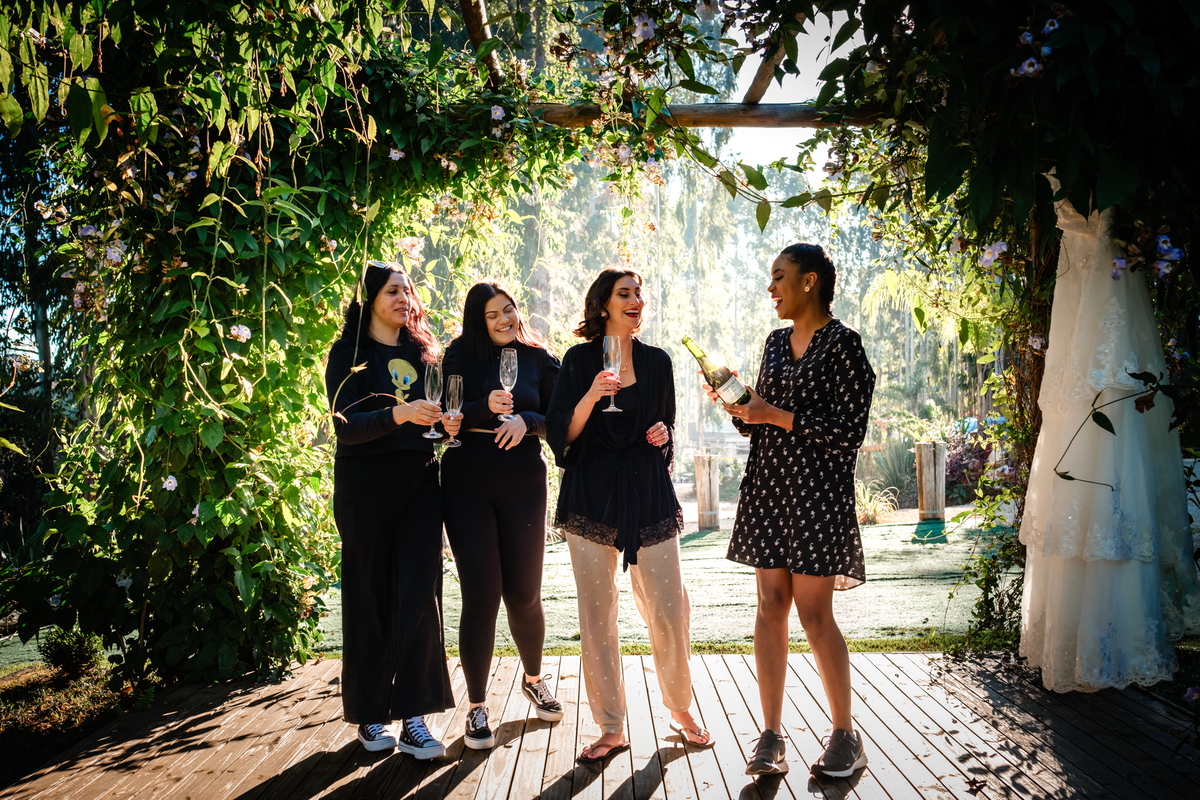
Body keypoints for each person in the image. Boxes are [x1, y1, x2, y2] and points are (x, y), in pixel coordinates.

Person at [706, 244, 874, 779]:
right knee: (770, 604)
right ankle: (771, 735)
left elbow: (847, 434)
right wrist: (740, 407)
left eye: (779, 277)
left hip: (818, 496)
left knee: (813, 613)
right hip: (769, 488)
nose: (771, 288)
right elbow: (761, 422)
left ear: (810, 281)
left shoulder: (845, 346)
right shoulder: (775, 342)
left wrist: (771, 413)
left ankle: (845, 734)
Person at [547, 267, 713, 762]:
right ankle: (611, 726)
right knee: (598, 615)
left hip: (647, 491)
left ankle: (680, 709)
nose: (636, 300)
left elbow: (666, 432)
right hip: (592, 493)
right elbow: (561, 435)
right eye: (625, 294)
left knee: (669, 607)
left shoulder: (659, 362)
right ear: (603, 305)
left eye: (640, 293)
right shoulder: (577, 361)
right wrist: (593, 395)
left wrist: (662, 437)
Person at [325, 261, 460, 758]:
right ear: (369, 299)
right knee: (371, 596)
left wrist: (447, 425)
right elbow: (346, 425)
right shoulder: (349, 355)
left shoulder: (422, 354)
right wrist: (398, 413)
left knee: (421, 594)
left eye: (408, 290)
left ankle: (416, 719)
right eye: (393, 291)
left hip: (421, 480)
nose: (404, 298)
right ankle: (370, 714)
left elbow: (439, 413)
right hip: (366, 487)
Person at [441, 281, 564, 750]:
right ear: (478, 320)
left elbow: (561, 418)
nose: (505, 319)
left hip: (523, 486)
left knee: (525, 594)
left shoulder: (537, 358)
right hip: (466, 484)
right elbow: (443, 414)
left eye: (509, 309)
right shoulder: (456, 356)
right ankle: (475, 708)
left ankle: (533, 678)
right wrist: (480, 407)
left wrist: (527, 422)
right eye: (493, 315)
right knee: (481, 595)